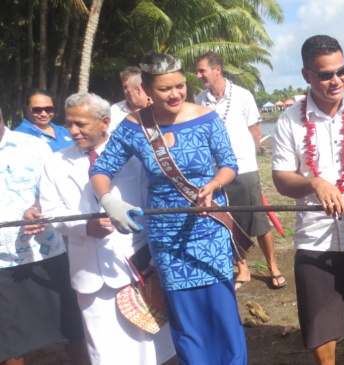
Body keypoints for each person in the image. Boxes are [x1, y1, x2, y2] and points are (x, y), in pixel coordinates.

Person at [90, 52, 247, 364]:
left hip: (209, 228)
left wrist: (214, 184)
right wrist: (109, 201)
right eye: (165, 89)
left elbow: (229, 164)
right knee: (186, 318)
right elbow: (100, 170)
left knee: (222, 312)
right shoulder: (134, 127)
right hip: (166, 236)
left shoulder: (206, 117)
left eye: (180, 86)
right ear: (147, 88)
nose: (175, 94)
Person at [271, 35, 344, 365]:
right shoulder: (289, 120)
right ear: (307, 74)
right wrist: (314, 183)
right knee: (320, 321)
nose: (335, 80)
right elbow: (281, 179)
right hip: (315, 237)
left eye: (341, 71)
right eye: (325, 74)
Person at [38, 92, 176, 364]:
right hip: (89, 272)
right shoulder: (54, 163)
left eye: (81, 124)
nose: (73, 131)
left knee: (148, 343)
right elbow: (51, 212)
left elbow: (154, 206)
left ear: (104, 122)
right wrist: (85, 227)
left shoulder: (134, 157)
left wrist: (157, 257)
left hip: (136, 266)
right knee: (102, 349)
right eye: (69, 124)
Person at [0, 108, 87, 365]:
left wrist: (37, 208)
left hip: (44, 250)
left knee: (70, 326)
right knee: (9, 339)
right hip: (2, 262)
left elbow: (50, 190)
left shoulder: (33, 146)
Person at [195, 51, 285, 290]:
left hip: (244, 167)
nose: (198, 75)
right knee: (228, 220)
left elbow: (255, 132)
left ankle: (273, 267)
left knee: (259, 218)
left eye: (202, 70)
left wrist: (249, 161)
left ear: (217, 69)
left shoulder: (242, 96)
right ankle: (242, 268)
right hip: (216, 173)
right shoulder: (199, 100)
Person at [109, 66, 150, 132]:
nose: (126, 91)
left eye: (127, 87)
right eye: (124, 87)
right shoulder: (115, 111)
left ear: (139, 88)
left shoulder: (156, 107)